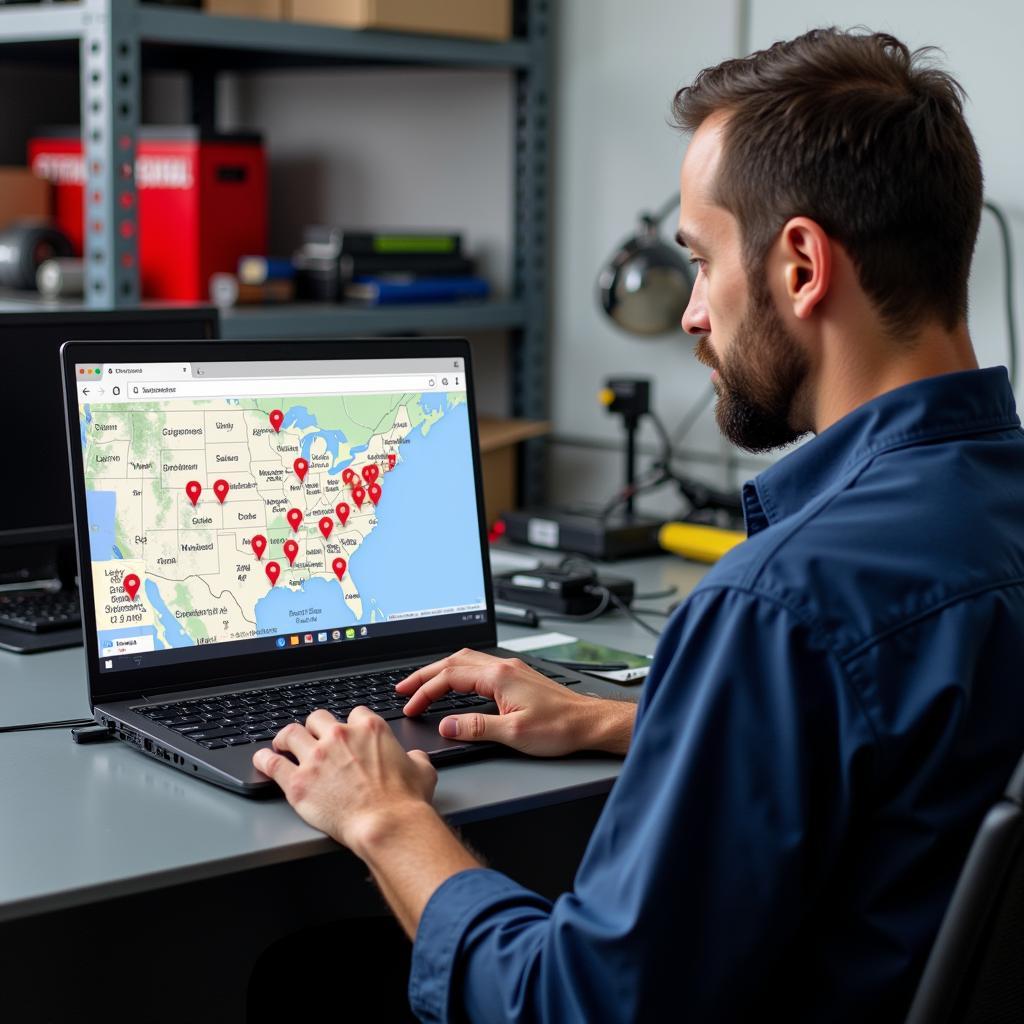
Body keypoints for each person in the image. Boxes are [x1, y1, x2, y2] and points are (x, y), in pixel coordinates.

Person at [251, 28, 1024, 1022]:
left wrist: (386, 817)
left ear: (800, 266)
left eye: (700, 261)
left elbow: (571, 1005)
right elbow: (908, 758)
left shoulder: (781, 604)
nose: (693, 311)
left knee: (304, 980)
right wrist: (634, 719)